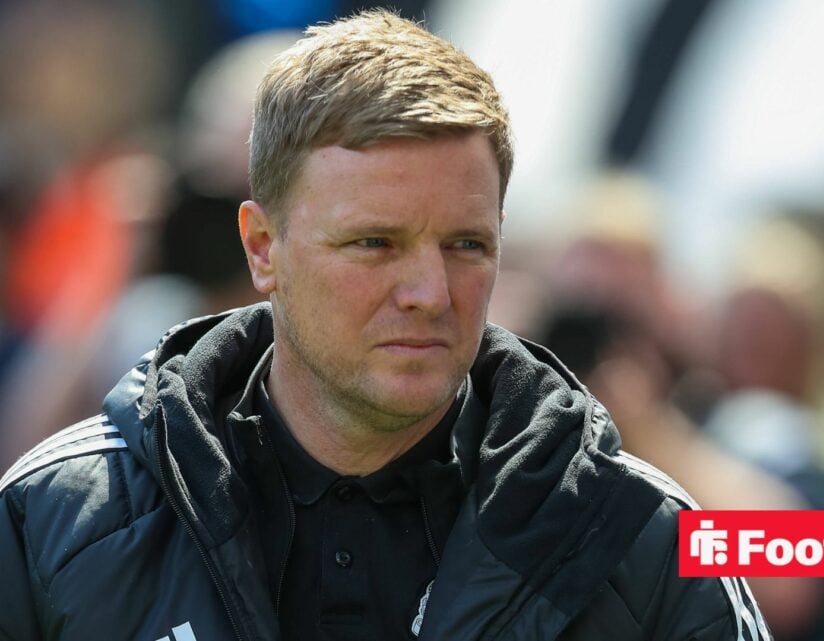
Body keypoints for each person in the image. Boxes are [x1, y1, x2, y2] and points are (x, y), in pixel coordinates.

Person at [0, 10, 767, 641]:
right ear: (263, 248)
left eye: (467, 245)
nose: (430, 291)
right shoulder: (55, 517)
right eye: (375, 243)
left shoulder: (641, 535)